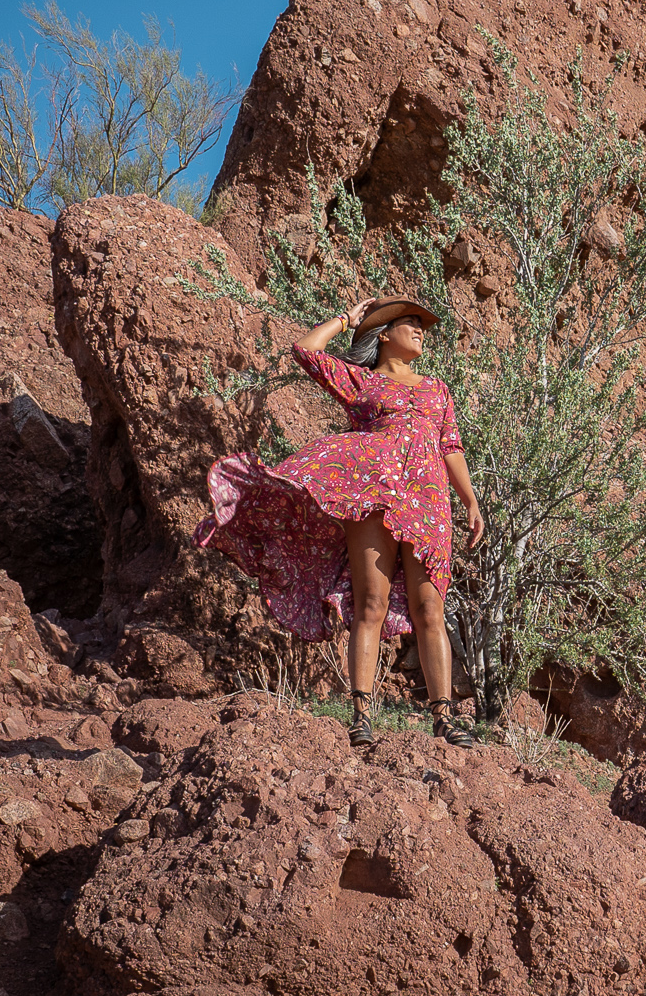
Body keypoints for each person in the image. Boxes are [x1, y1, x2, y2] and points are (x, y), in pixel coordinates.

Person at [194, 296, 485, 746]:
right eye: (410, 322)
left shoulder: (437, 390)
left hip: (429, 502)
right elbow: (305, 350)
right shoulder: (361, 381)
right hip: (371, 498)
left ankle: (444, 717)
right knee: (372, 603)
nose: (420, 329)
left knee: (430, 608)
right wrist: (346, 319)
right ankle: (362, 714)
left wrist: (469, 501)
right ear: (383, 334)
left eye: (421, 324)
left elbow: (451, 446)